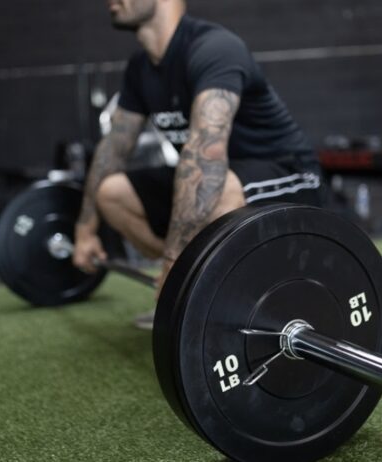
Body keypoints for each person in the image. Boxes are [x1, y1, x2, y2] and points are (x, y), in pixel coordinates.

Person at [73, 0, 323, 329]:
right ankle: (195, 291)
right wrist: (84, 231)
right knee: (111, 193)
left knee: (216, 190)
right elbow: (113, 150)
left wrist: (175, 263)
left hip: (287, 173)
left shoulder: (214, 48)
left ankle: (193, 293)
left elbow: (206, 158)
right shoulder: (141, 67)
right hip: (220, 177)